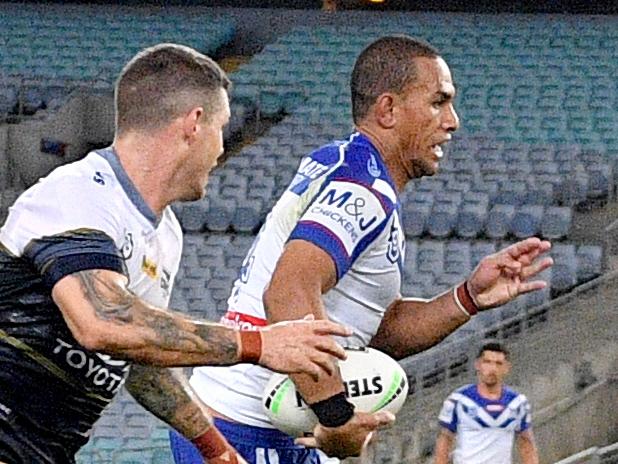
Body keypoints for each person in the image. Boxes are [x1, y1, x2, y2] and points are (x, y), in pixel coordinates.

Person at [169, 34, 553, 463]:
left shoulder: (345, 163)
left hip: (248, 424)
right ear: (388, 110)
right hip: (251, 432)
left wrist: (467, 298)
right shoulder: (363, 190)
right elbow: (288, 292)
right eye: (438, 102)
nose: (452, 121)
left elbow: (373, 331)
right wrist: (336, 417)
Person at [0, 43, 353, 464]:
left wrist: (215, 449)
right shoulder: (77, 194)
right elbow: (102, 323)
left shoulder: (165, 233)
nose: (222, 148)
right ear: (194, 124)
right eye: (222, 128)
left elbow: (142, 358)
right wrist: (258, 344)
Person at [434, 342, 539, 464]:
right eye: (487, 362)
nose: (492, 369)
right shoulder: (459, 400)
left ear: (507, 368)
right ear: (478, 365)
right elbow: (445, 440)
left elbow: (526, 442)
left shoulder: (517, 403)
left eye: (498, 364)